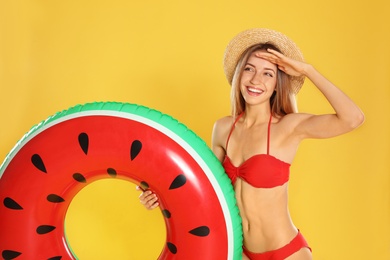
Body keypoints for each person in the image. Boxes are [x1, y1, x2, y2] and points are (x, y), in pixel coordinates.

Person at [137, 28, 365, 260]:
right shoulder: (223, 128)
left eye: (268, 74)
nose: (256, 80)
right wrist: (159, 195)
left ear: (278, 84)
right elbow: (205, 192)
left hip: (287, 254)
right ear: (239, 75)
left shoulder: (287, 127)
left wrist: (307, 70)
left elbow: (353, 118)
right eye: (249, 69)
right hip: (240, 253)